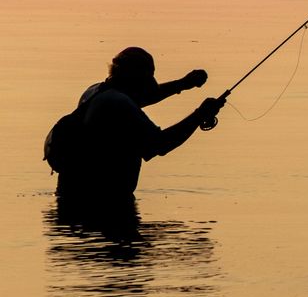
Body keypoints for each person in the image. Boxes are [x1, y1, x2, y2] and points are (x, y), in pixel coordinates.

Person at [52, 47, 223, 202]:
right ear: (135, 78)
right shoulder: (118, 103)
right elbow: (160, 144)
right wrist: (199, 115)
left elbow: (144, 96)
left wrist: (184, 84)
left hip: (72, 193)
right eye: (147, 77)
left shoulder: (95, 91)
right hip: (103, 199)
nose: (151, 81)